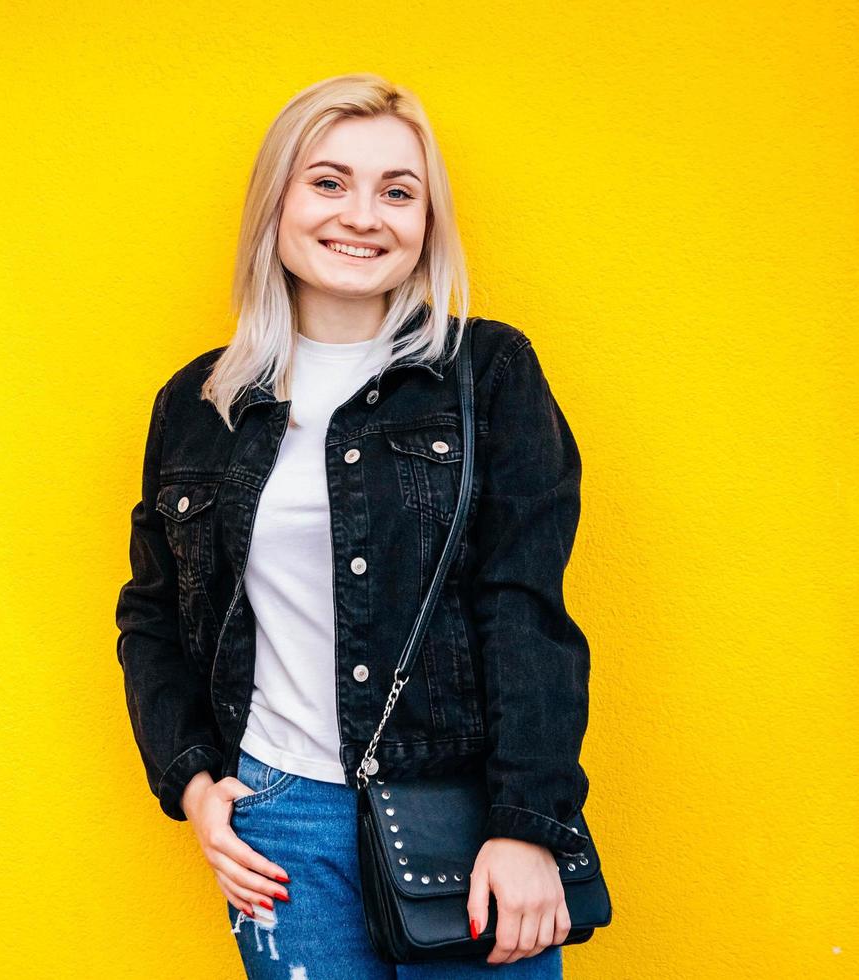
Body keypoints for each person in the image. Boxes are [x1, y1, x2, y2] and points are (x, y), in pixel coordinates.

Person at [114, 73, 593, 979]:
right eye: (329, 182)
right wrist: (192, 779)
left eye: (398, 191)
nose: (363, 216)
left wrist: (529, 822)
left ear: (426, 223)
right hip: (278, 814)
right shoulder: (199, 403)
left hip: (462, 810)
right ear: (278, 203)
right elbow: (153, 617)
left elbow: (525, 607)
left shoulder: (487, 373)